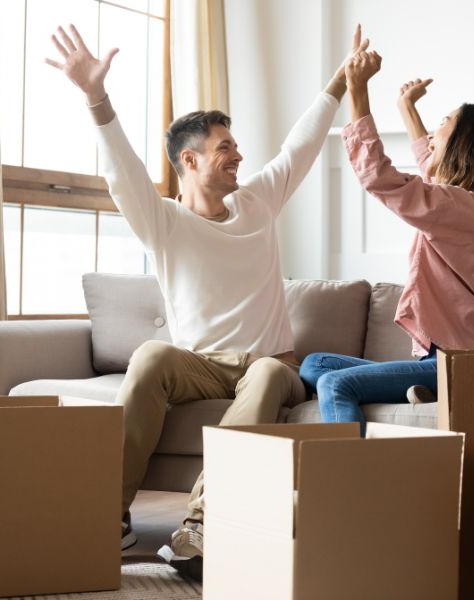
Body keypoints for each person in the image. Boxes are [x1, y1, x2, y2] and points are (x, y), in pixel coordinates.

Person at [46, 23, 360, 581]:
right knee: (149, 356)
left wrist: (339, 82)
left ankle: (202, 526)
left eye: (236, 146)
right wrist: (96, 98)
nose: (238, 156)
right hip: (201, 367)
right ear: (189, 162)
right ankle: (103, 514)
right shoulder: (164, 222)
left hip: (271, 364)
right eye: (225, 148)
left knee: (264, 375)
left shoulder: (258, 202)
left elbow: (301, 147)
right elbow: (124, 178)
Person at [300, 32, 474, 435]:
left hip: (456, 362)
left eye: (445, 123)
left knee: (334, 381)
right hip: (444, 360)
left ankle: (346, 488)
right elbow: (432, 169)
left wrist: (358, 89)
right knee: (314, 363)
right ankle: (421, 388)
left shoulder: (463, 208)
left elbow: (381, 178)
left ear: (465, 145)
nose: (434, 132)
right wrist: (406, 108)